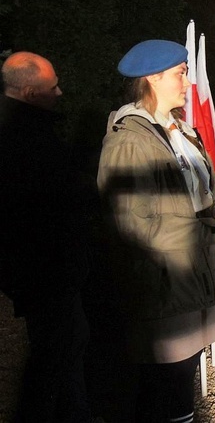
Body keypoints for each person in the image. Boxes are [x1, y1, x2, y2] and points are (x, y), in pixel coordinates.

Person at [97, 40, 215, 422]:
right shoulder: (131, 140)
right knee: (167, 390)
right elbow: (136, 226)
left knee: (182, 385)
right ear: (152, 78)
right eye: (180, 73)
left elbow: (187, 202)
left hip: (192, 277)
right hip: (163, 286)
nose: (187, 82)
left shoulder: (181, 132)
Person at [0, 52, 93, 422]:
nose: (60, 92)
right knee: (52, 355)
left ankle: (74, 412)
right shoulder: (21, 139)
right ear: (28, 91)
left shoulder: (28, 128)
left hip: (43, 270)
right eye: (52, 86)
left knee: (65, 346)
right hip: (43, 269)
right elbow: (44, 202)